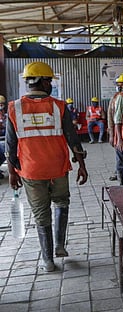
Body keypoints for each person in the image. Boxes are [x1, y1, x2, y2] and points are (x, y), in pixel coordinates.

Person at [5, 61, 88, 272]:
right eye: (49, 80)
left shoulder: (14, 108)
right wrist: (82, 166)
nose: (50, 84)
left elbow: (10, 145)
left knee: (41, 213)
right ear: (42, 81)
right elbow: (73, 139)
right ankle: (59, 244)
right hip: (57, 168)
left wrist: (12, 173)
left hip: (31, 171)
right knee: (61, 203)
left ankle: (48, 261)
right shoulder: (58, 106)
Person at [108, 74, 123, 183]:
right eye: (119, 86)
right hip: (118, 133)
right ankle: (121, 182)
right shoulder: (115, 98)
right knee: (120, 159)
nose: (120, 88)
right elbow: (110, 118)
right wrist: (111, 135)